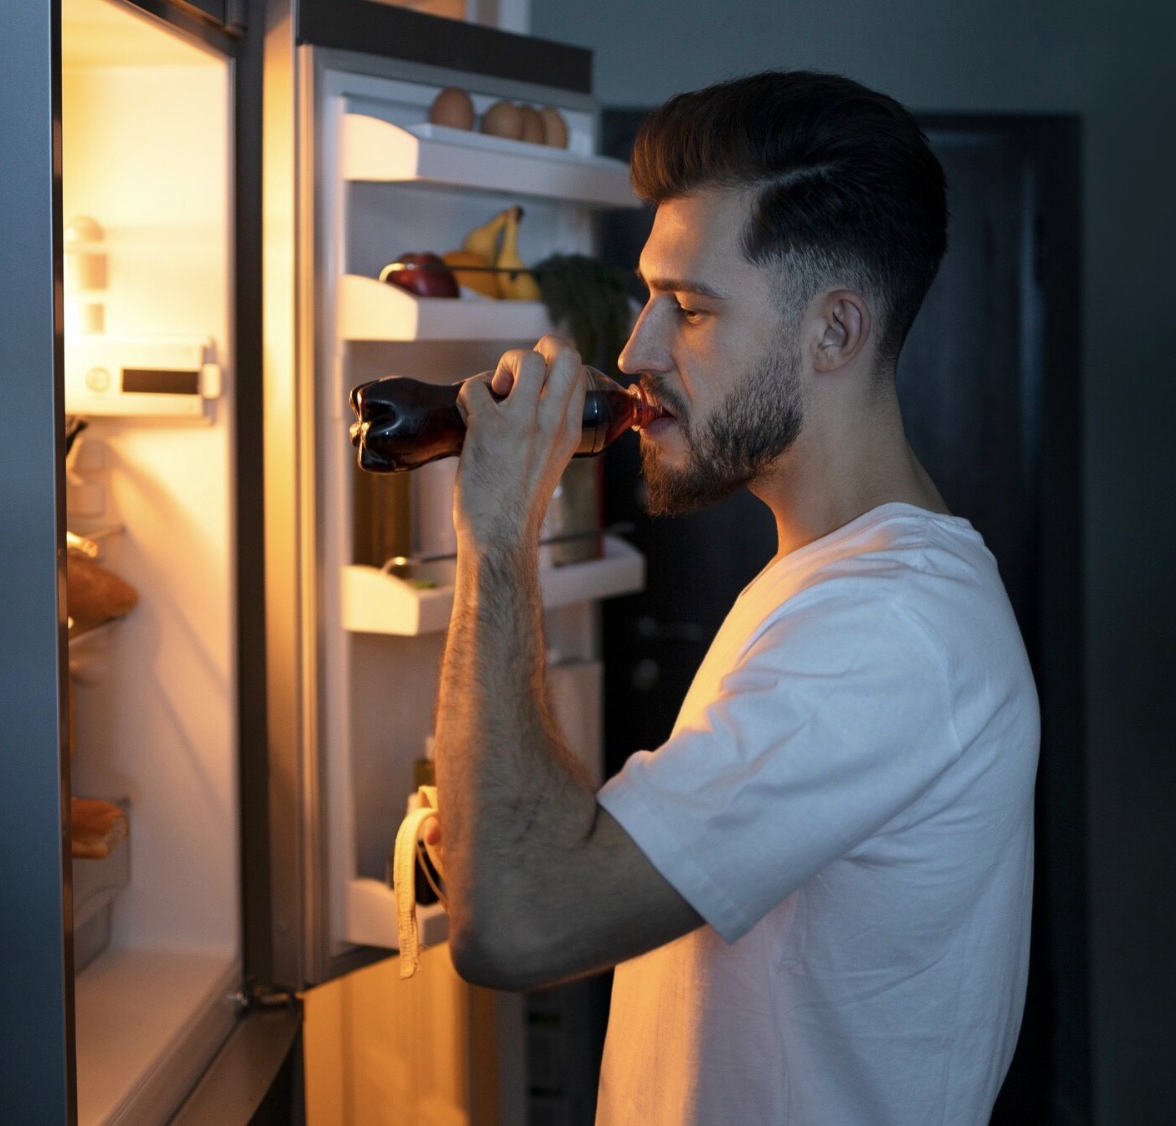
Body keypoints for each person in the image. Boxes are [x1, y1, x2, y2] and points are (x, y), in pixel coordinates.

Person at [431, 70, 1039, 1124]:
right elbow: (567, 864)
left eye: (691, 308)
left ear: (834, 332)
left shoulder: (888, 626)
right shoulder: (827, 581)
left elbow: (517, 924)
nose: (636, 351)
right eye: (648, 297)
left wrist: (495, 537)